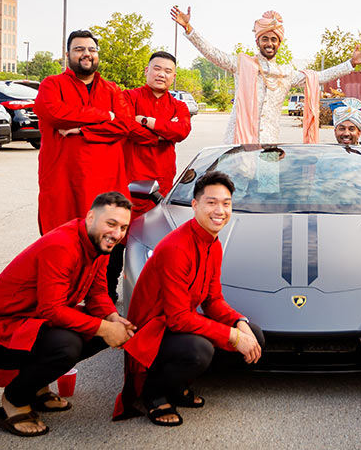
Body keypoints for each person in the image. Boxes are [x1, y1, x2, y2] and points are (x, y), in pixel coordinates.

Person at [0, 192, 137, 437]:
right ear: (91, 217)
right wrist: (105, 328)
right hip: (0, 334)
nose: (117, 234)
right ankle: (15, 398)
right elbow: (51, 310)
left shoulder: (99, 244)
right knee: (68, 344)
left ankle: (37, 387)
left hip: (33, 324)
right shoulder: (62, 245)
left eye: (123, 227)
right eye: (111, 224)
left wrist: (112, 318)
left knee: (99, 333)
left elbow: (97, 294)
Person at [113, 171, 264, 427]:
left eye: (226, 204)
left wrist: (239, 322)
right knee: (199, 350)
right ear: (195, 205)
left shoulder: (213, 242)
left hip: (174, 324)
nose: (220, 210)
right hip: (151, 332)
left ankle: (176, 383)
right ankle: (153, 391)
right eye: (212, 202)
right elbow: (177, 319)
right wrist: (233, 337)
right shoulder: (176, 248)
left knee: (255, 334)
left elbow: (213, 300)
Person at [171, 6, 361, 144]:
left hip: (270, 144)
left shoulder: (285, 73)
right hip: (237, 141)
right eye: (265, 38)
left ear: (279, 43)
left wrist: (351, 63)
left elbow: (317, 77)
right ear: (258, 42)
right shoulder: (242, 64)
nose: (269, 43)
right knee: (236, 192)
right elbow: (212, 53)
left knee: (265, 197)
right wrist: (189, 29)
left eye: (274, 39)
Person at [106, 51, 192, 301]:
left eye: (168, 71)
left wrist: (147, 121)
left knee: (157, 242)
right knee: (116, 241)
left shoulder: (179, 105)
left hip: (161, 187)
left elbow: (182, 130)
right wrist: (161, 135)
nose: (162, 74)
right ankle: (108, 297)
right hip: (127, 183)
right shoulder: (128, 97)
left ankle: (156, 297)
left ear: (174, 76)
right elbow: (125, 126)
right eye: (157, 68)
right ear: (147, 70)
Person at [33, 30, 131, 235]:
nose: (86, 53)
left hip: (106, 185)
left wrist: (82, 130)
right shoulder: (51, 84)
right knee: (61, 246)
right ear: (67, 55)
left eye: (92, 49)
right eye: (79, 49)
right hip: (64, 185)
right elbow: (54, 113)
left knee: (104, 249)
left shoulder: (112, 89)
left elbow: (125, 124)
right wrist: (105, 115)